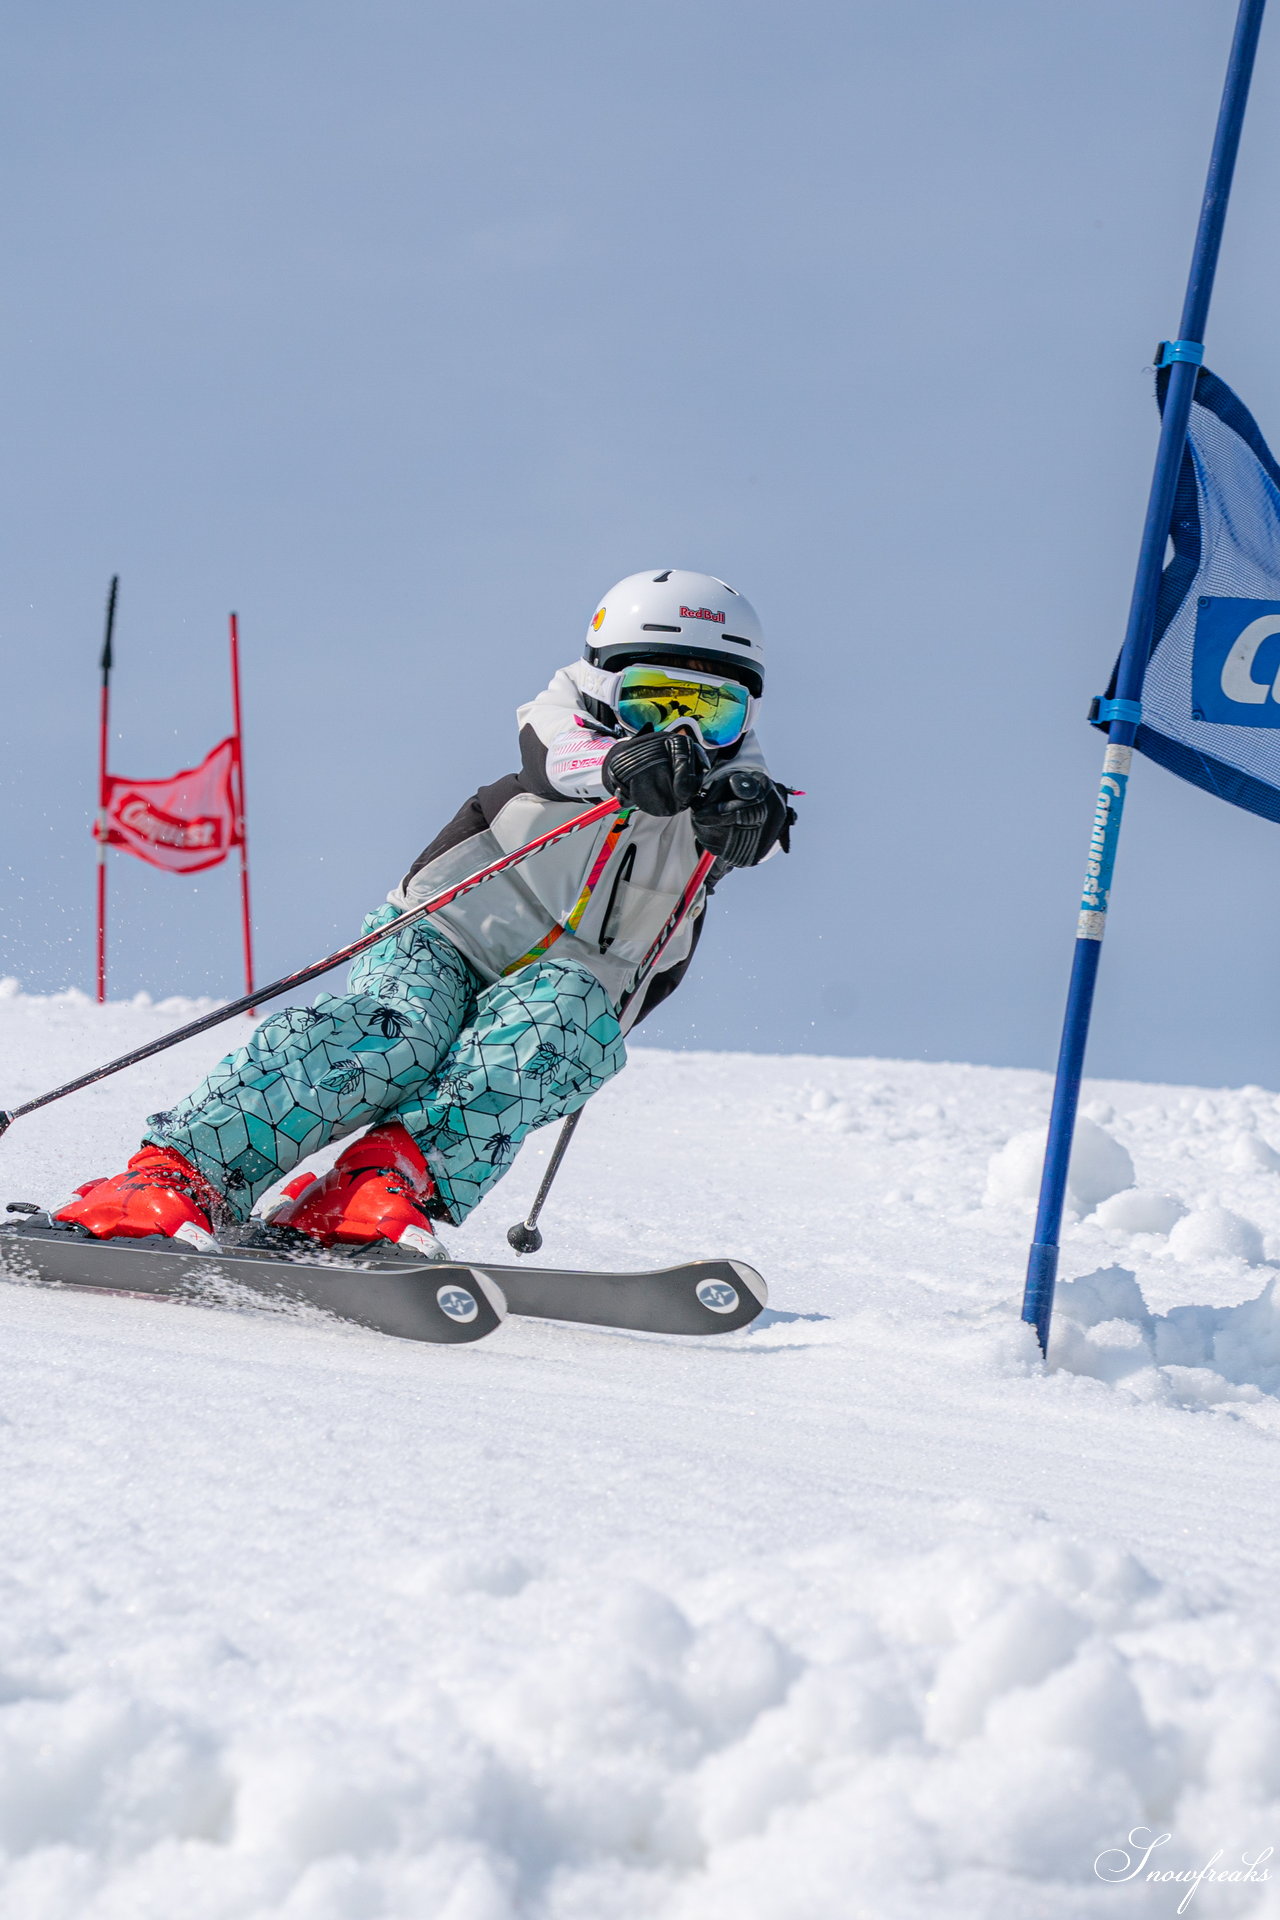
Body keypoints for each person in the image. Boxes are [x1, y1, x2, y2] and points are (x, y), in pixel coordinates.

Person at [56, 569, 795, 1255]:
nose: (682, 733)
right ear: (604, 684)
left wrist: (750, 820)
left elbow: (755, 822)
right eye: (654, 701)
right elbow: (556, 751)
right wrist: (614, 766)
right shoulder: (565, 729)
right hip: (449, 934)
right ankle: (176, 1175)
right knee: (396, 1032)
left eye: (712, 712)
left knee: (556, 1032)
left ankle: (374, 1187)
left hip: (579, 976)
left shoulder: (729, 801)